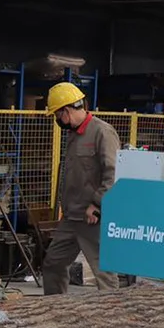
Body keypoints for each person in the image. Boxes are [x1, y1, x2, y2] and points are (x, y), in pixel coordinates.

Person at [41, 82, 132, 294]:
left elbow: (113, 173)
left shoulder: (102, 132)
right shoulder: (74, 134)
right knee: (53, 263)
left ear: (66, 110)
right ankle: (54, 307)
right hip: (72, 216)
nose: (57, 120)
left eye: (57, 115)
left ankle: (111, 310)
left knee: (104, 273)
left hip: (92, 218)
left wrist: (97, 205)